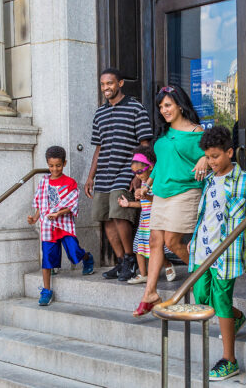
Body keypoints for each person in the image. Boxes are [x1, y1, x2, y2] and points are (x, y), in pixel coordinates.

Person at [189, 126, 246, 381]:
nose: (212, 161)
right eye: (208, 156)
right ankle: (236, 318)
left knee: (221, 299)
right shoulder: (208, 177)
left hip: (227, 253)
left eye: (216, 156)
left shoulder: (245, 180)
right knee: (201, 295)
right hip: (202, 249)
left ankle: (229, 360)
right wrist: (204, 159)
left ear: (230, 153)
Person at [133, 85, 209, 316]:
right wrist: (147, 185)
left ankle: (203, 273)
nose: (164, 110)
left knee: (173, 241)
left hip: (185, 190)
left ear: (179, 104)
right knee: (156, 240)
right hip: (162, 193)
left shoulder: (198, 132)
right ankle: (150, 293)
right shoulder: (163, 135)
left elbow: (219, 153)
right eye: (160, 106)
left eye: (167, 104)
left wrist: (205, 157)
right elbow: (161, 165)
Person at [84, 68, 153, 282]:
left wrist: (139, 175)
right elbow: (98, 148)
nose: (106, 88)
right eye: (103, 84)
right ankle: (121, 260)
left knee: (119, 213)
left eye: (110, 83)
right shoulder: (100, 113)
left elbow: (145, 144)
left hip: (126, 169)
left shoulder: (135, 108)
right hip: (104, 171)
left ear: (120, 83)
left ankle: (131, 260)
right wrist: (90, 177)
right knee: (105, 217)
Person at [28, 146, 95, 306]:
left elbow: (72, 204)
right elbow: (41, 205)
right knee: (48, 258)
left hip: (64, 224)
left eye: (58, 165)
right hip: (47, 227)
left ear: (64, 163)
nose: (54, 169)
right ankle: (46, 290)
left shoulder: (70, 183)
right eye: (51, 166)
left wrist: (58, 213)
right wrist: (35, 218)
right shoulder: (44, 181)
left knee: (74, 252)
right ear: (47, 164)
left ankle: (87, 257)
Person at [117, 145, 176, 284]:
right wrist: (129, 204)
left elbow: (159, 201)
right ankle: (143, 274)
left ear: (150, 167)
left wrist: (145, 195)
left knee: (155, 248)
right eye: (134, 173)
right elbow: (143, 205)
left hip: (156, 222)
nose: (137, 175)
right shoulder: (143, 183)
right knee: (138, 248)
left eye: (139, 171)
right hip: (144, 222)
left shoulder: (157, 183)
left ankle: (167, 264)